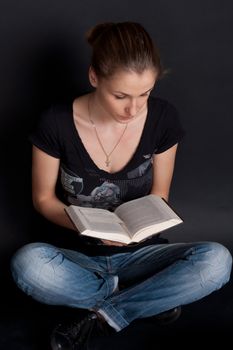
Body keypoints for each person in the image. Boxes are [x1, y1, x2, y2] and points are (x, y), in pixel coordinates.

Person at [11, 22, 232, 350]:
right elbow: (43, 199)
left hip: (143, 253)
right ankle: (146, 298)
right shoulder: (55, 122)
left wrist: (140, 230)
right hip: (78, 257)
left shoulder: (162, 118)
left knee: (217, 261)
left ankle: (105, 314)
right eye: (120, 96)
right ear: (94, 77)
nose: (134, 108)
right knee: (27, 265)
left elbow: (160, 195)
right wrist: (89, 229)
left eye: (145, 93)